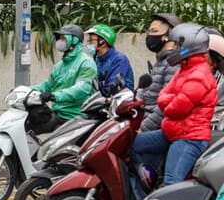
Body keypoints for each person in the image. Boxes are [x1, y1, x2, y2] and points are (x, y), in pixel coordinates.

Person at [130, 23, 217, 188]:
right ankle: (145, 188)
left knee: (171, 183)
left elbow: (176, 109)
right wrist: (168, 99)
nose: (174, 48)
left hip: (189, 138)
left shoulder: (199, 75)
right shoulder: (184, 69)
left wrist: (167, 101)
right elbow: (164, 94)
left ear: (189, 47)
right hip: (171, 131)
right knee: (130, 144)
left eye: (178, 45)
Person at [31, 24, 98, 132]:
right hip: (59, 114)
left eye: (63, 38)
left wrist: (54, 96)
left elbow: (81, 89)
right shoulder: (60, 66)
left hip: (76, 117)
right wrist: (25, 90)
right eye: (59, 39)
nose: (59, 41)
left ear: (74, 40)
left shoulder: (86, 63)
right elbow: (46, 86)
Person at [139, 13, 181, 133]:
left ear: (169, 35)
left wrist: (143, 128)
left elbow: (165, 106)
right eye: (149, 31)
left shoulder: (173, 65)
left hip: (155, 128)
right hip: (143, 118)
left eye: (154, 31)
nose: (150, 35)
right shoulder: (160, 61)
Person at [85, 23, 134, 96]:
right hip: (100, 101)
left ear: (103, 42)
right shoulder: (97, 60)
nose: (89, 43)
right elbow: (88, 84)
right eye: (89, 40)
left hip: (119, 102)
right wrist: (101, 84)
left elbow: (111, 88)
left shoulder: (119, 59)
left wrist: (98, 85)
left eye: (92, 40)